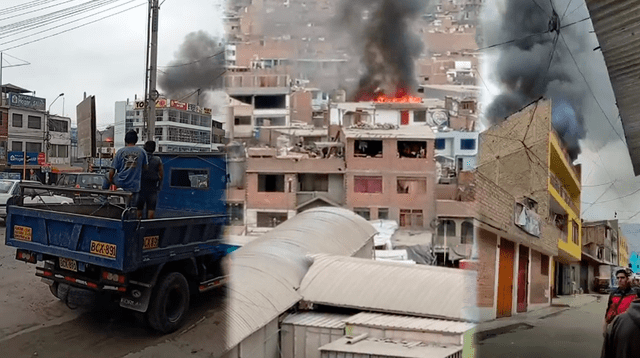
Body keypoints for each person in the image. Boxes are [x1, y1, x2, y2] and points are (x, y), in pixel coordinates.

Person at [108, 130, 147, 216]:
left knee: (106, 176)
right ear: (136, 140)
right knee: (132, 208)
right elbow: (145, 168)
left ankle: (103, 197)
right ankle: (131, 222)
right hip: (135, 185)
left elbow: (112, 170)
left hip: (121, 182)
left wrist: (110, 181)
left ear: (125, 140)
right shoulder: (142, 152)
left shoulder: (120, 152)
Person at [601, 292, 640, 358]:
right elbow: (609, 309)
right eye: (619, 280)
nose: (621, 281)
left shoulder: (631, 294)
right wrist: (606, 324)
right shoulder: (614, 294)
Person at [604, 268, 636, 332]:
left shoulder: (635, 294)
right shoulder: (614, 294)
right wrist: (605, 327)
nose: (619, 280)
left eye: (622, 278)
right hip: (614, 325)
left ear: (627, 279)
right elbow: (609, 310)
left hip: (629, 327)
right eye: (618, 278)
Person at [139, 140, 163, 219]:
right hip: (152, 187)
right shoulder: (157, 159)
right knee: (151, 209)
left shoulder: (140, 158)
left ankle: (138, 227)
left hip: (140, 187)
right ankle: (148, 227)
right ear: (154, 149)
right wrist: (159, 185)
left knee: (139, 209)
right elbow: (161, 174)